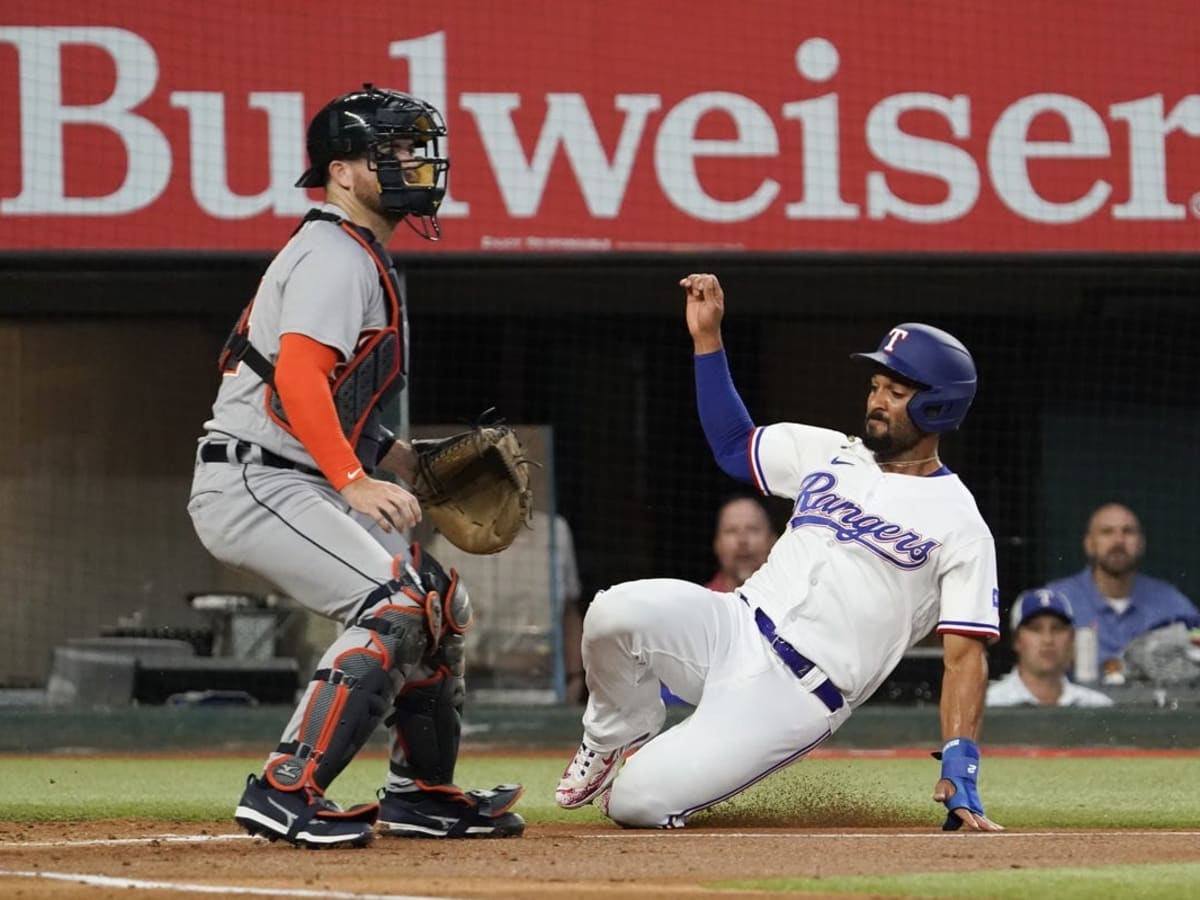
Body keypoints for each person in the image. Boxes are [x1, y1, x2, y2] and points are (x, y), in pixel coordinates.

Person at [187, 84, 524, 848]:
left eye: (415, 149)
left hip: (287, 470)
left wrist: (399, 459)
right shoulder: (336, 253)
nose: (413, 163)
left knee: (437, 602)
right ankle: (285, 789)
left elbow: (327, 403)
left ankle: (421, 794)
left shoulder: (355, 253)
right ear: (342, 171)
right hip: (255, 477)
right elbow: (302, 380)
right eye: (394, 150)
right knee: (396, 605)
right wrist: (354, 481)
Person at [556, 274, 1003, 832]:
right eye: (876, 384)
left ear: (939, 406)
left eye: (897, 390)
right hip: (733, 624)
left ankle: (661, 771)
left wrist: (961, 765)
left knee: (636, 804)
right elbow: (731, 446)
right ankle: (616, 731)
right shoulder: (833, 452)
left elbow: (965, 656)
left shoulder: (960, 522)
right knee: (612, 611)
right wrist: (707, 339)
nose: (876, 399)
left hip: (794, 692)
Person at [426, 509, 586, 703]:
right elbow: (431, 625)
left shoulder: (554, 533)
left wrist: (575, 677)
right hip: (467, 694)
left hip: (541, 693)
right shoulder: (448, 541)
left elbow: (568, 611)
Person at [1043, 502, 1199, 682]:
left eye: (1128, 531)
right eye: (1107, 532)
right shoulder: (1057, 599)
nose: (1118, 541)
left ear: (1141, 543)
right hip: (1078, 708)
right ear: (1089, 544)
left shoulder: (1171, 601)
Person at [986, 589, 1113, 707]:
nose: (1048, 640)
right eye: (1035, 628)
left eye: (1057, 628)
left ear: (1072, 639)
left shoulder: (1097, 706)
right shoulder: (990, 703)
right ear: (1016, 640)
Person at [705, 494, 778, 593]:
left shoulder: (796, 600)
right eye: (731, 531)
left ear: (773, 541)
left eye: (753, 529)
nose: (742, 540)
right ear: (717, 544)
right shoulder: (700, 604)